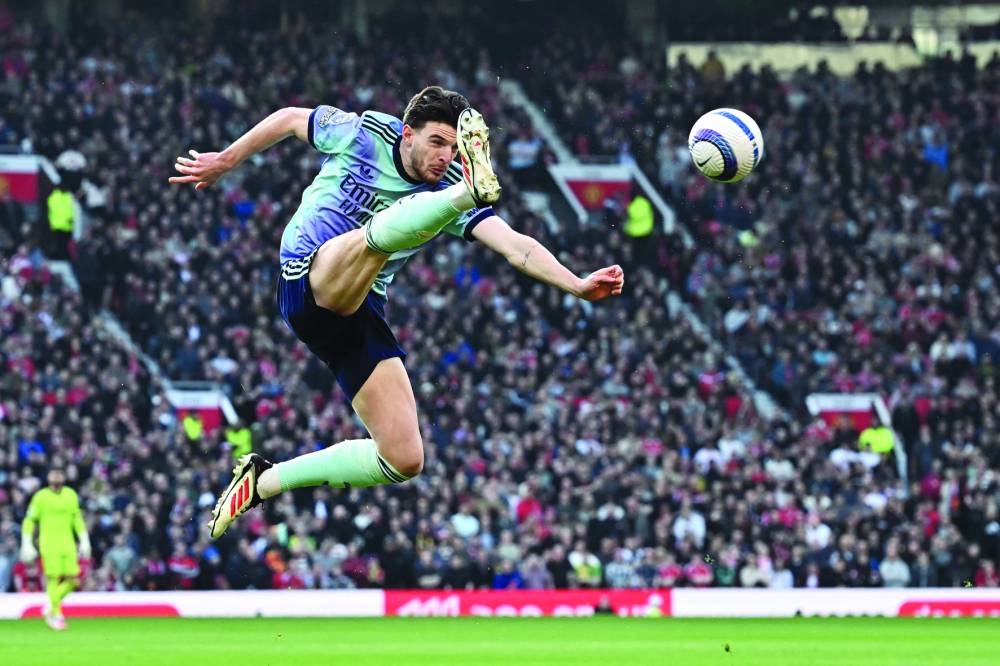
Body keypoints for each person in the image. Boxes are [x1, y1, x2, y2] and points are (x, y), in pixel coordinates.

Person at [170, 86, 625, 538]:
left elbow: (516, 248)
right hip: (307, 276)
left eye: (453, 146)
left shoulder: (441, 187)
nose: (445, 156)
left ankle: (262, 481)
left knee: (404, 457)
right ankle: (470, 198)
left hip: (360, 304)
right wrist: (227, 159)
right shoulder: (364, 133)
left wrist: (576, 284)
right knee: (380, 236)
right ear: (407, 134)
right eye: (437, 143)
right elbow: (291, 117)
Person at [20, 467, 91, 631]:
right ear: (49, 477)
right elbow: (30, 520)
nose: (57, 475)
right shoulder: (41, 497)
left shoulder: (70, 495)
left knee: (73, 580)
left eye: (60, 473)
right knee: (53, 578)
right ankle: (57, 615)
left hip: (68, 544)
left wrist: (84, 539)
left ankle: (50, 605)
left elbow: (77, 519)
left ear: (64, 477)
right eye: (54, 473)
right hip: (49, 544)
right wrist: (26, 541)